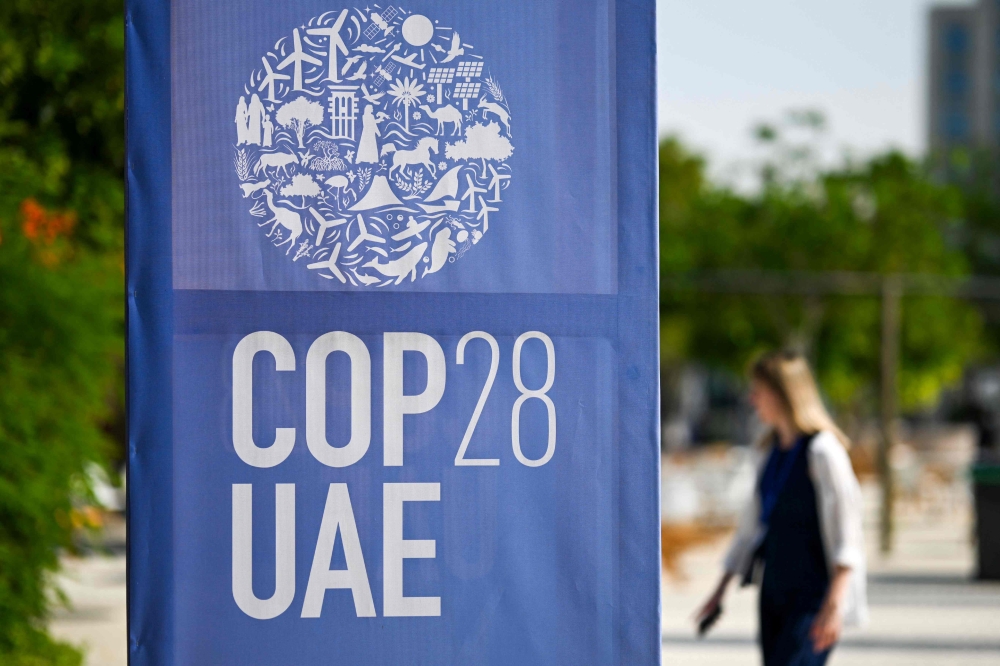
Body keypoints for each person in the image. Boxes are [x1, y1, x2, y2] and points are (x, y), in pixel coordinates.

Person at [695, 351, 867, 666]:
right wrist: (720, 590)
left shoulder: (823, 451)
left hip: (812, 598)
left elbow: (848, 534)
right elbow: (751, 528)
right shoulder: (767, 451)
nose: (752, 399)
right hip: (773, 592)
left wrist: (834, 606)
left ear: (781, 393)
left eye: (757, 391)